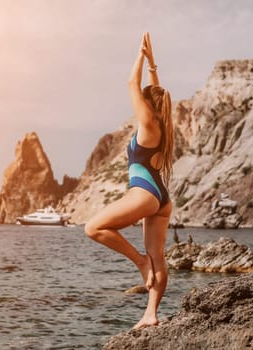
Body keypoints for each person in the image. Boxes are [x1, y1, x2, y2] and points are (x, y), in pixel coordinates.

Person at [85, 32, 173, 329]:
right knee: (158, 257)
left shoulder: (148, 124)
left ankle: (139, 262)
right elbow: (154, 91)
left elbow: (130, 84)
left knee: (93, 227)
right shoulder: (162, 125)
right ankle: (151, 314)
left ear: (148, 105)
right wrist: (153, 64)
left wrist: (138, 54)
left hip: (145, 192)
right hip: (162, 197)